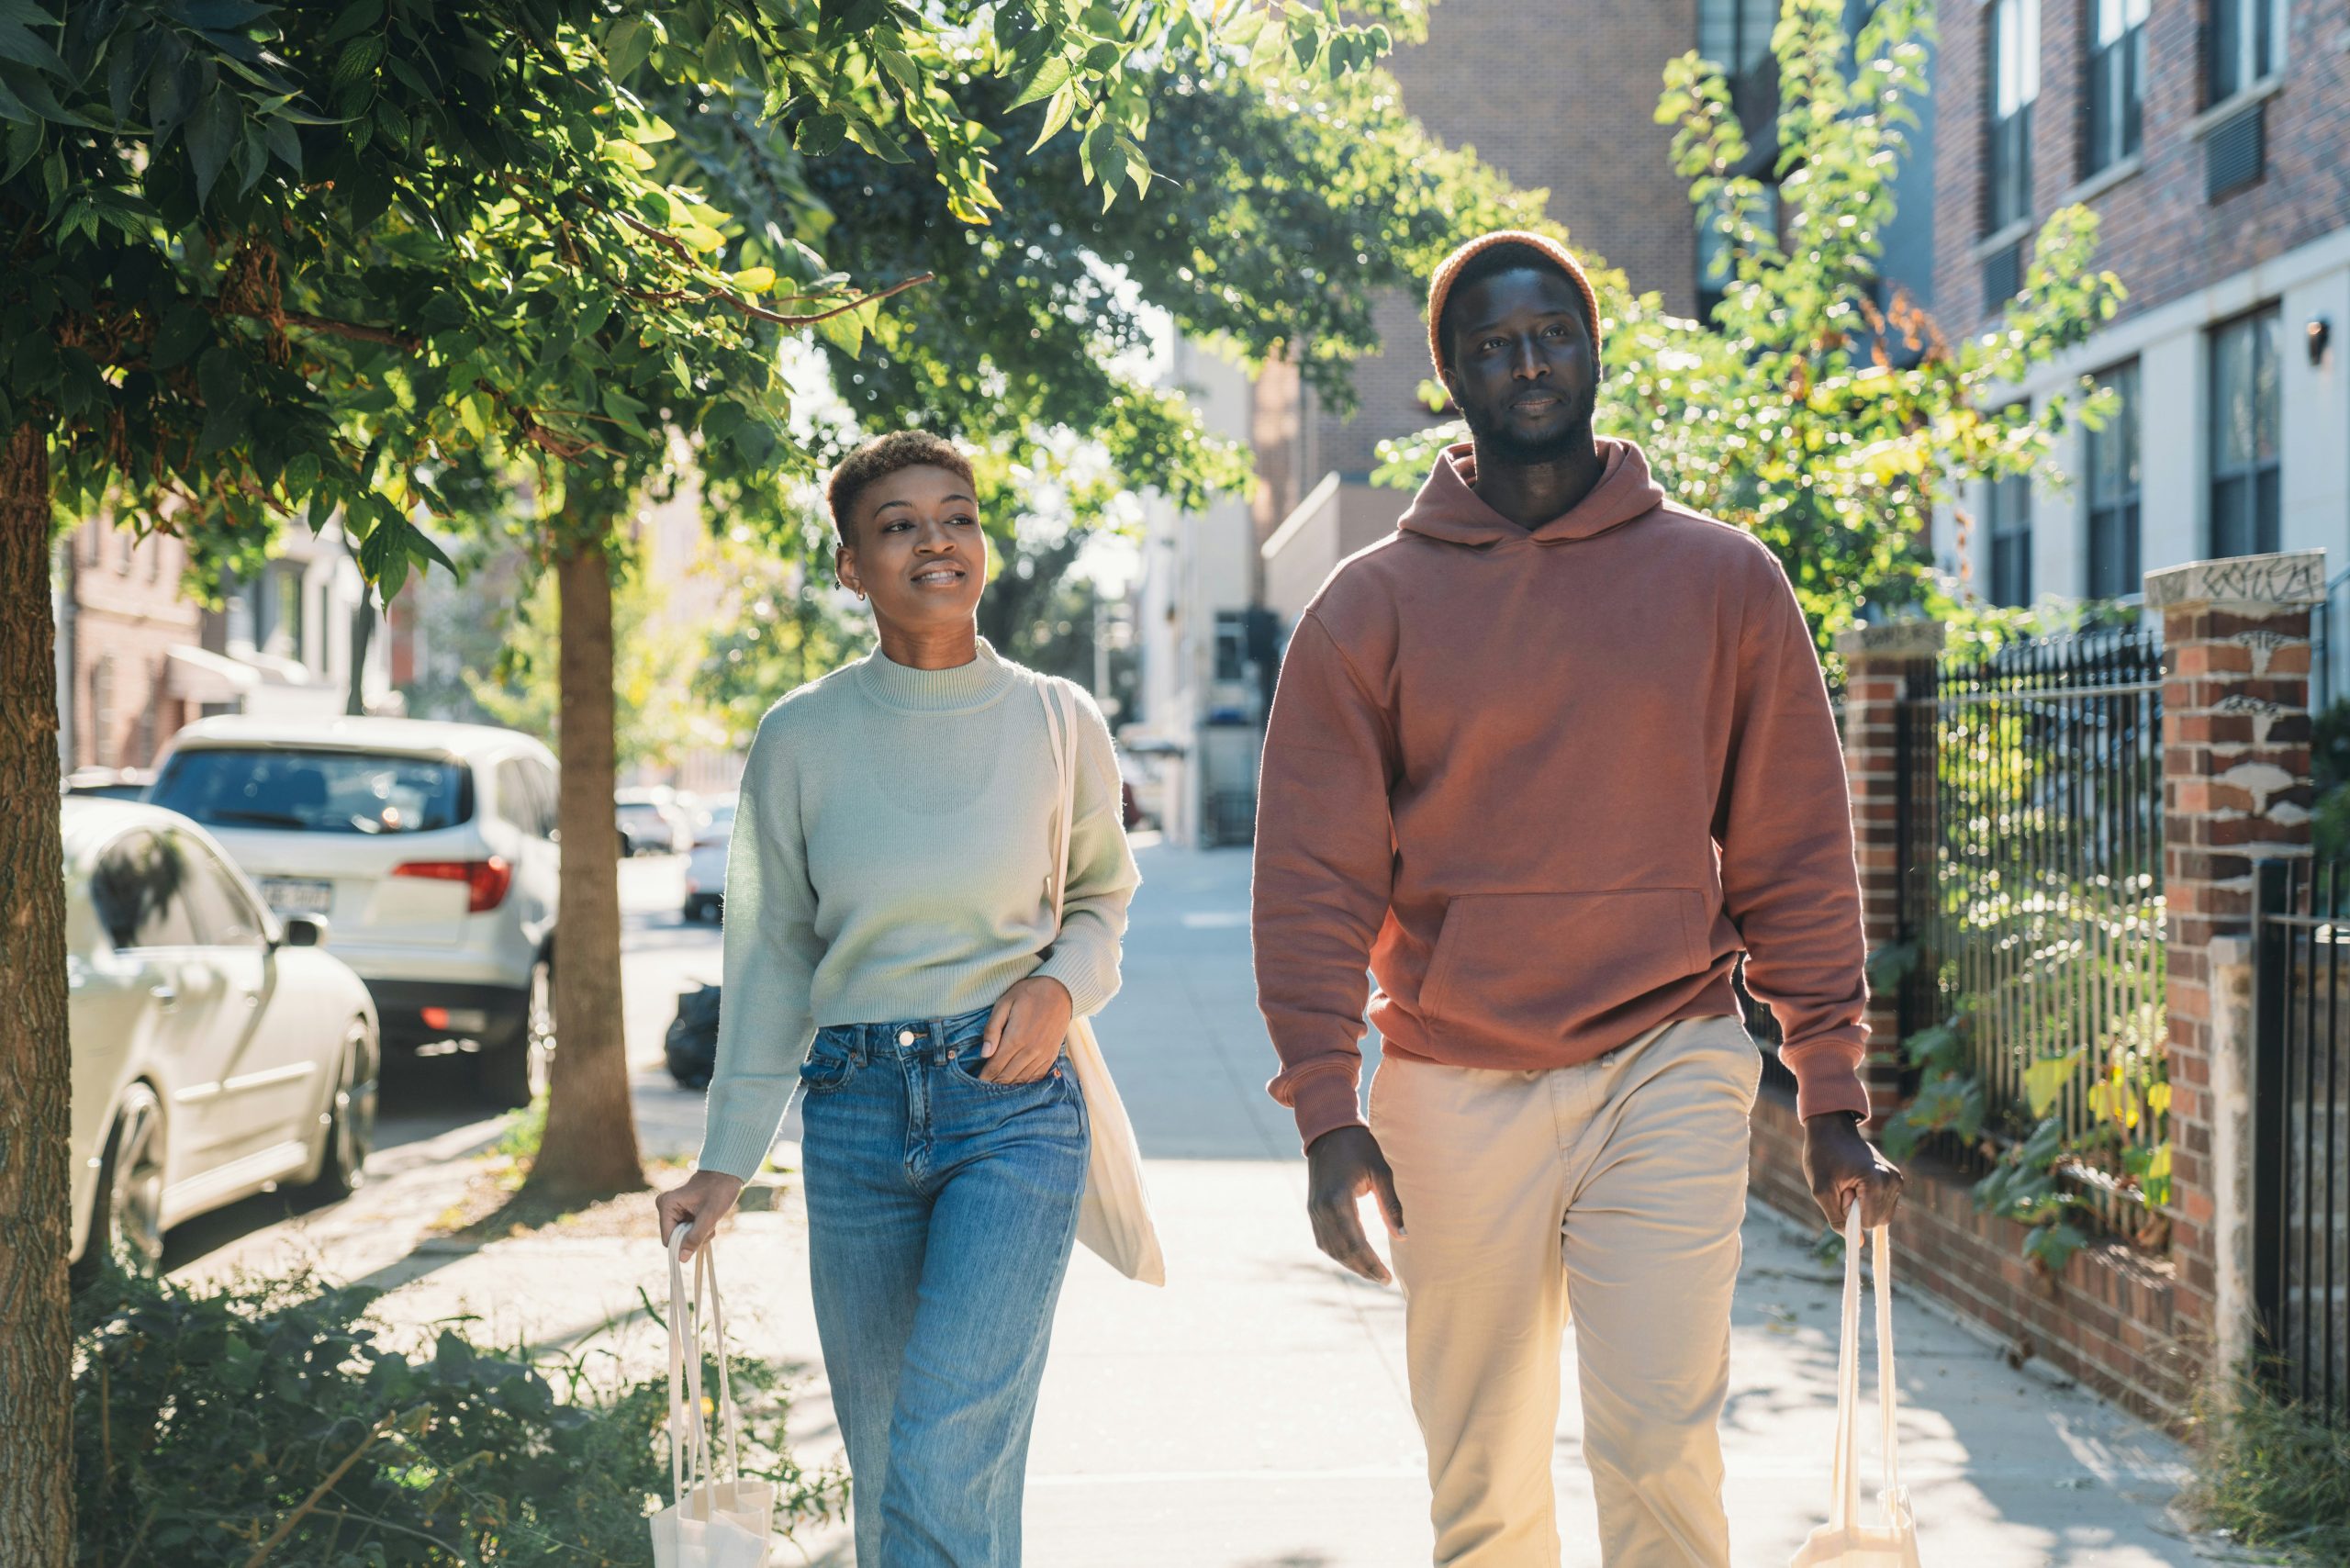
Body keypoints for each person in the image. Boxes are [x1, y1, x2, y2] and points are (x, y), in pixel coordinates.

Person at [1249, 230, 1906, 1568]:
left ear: (1595, 345)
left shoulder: (1724, 582)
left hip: (1666, 1055)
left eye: (1552, 332)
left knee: (1662, 1442)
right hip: (1448, 1074)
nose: (1529, 362)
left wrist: (1830, 1092)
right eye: (1492, 345)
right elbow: (1313, 881)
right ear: (1450, 375)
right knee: (1484, 1476)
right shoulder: (1367, 609)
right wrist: (1329, 1111)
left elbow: (1792, 847)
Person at [656, 430, 1139, 1568]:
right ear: (849, 567)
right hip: (855, 1111)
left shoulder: (1058, 719)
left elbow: (1103, 899)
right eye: (899, 523)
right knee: (897, 1470)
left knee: (942, 1450)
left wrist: (1062, 990)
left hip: (1012, 1107)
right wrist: (726, 1159)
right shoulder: (801, 736)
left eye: (957, 514)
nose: (937, 539)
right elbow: (770, 955)